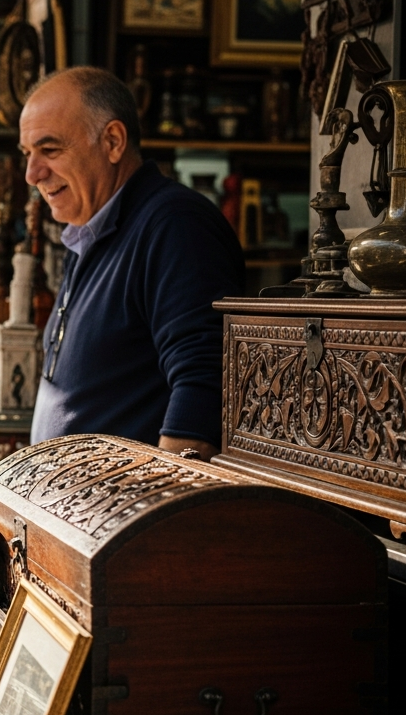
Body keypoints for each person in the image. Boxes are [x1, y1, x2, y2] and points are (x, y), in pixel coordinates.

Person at [21, 67, 243, 459]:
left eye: (50, 150)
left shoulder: (175, 224)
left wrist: (165, 513)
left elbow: (206, 381)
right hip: (77, 514)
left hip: (131, 515)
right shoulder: (91, 232)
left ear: (112, 141)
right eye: (28, 154)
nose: (32, 173)